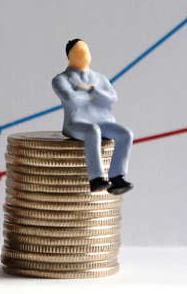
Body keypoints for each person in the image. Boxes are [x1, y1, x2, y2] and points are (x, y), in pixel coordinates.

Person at [52, 39, 133, 194]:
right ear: (70, 56)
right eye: (78, 51)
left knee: (125, 134)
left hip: (103, 120)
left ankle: (117, 177)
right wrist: (93, 95)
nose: (84, 53)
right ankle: (96, 178)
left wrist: (92, 91)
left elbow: (112, 98)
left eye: (86, 49)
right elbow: (72, 100)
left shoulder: (100, 78)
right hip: (76, 123)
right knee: (93, 131)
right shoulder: (60, 79)